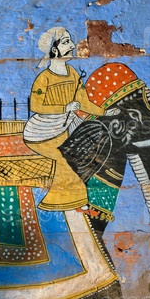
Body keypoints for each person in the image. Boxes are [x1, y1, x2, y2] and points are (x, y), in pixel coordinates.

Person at [23, 27, 105, 211]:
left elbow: (83, 101)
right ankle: (62, 201)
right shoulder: (44, 78)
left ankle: (74, 200)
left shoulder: (73, 73)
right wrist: (64, 108)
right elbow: (35, 106)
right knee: (66, 157)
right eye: (67, 42)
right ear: (54, 49)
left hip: (66, 125)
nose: (73, 46)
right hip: (43, 130)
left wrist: (104, 112)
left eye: (71, 41)